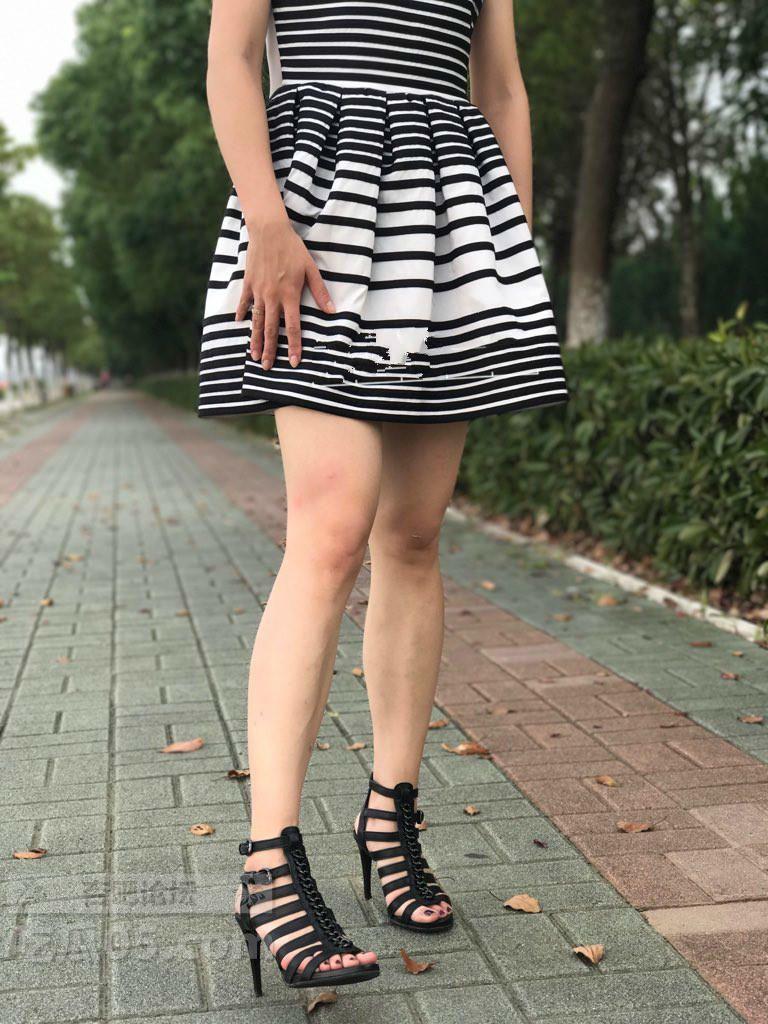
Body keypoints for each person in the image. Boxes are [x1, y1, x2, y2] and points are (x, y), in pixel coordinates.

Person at [201, 0, 567, 995]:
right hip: (312, 203)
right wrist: (266, 219)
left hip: (447, 218)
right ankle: (269, 864)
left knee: (412, 534)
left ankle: (390, 818)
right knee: (330, 528)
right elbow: (232, 56)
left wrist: (509, 245)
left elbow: (501, 88)